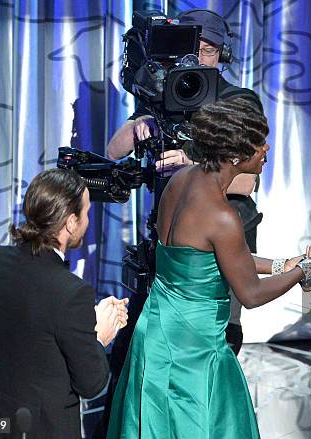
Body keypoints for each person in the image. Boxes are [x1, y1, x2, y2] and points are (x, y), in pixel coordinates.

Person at [106, 98, 311, 438]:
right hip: (193, 350)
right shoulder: (221, 215)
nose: (266, 147)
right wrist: (308, 267)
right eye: (259, 142)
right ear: (235, 157)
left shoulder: (181, 181)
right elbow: (250, 294)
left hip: (156, 332)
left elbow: (206, 258)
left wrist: (282, 265)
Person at [107, 9, 263, 356]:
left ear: (223, 54)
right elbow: (114, 149)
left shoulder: (238, 101)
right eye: (193, 47)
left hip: (219, 245)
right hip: (171, 241)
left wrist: (193, 164)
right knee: (139, 346)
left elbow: (247, 181)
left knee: (213, 346)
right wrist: (141, 125)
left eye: (208, 48)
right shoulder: (165, 95)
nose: (198, 57)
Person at [0, 169, 129, 439]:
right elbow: (91, 385)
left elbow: (31, 325)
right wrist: (97, 338)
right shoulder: (71, 293)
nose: (88, 221)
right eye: (86, 213)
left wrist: (78, 324)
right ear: (70, 222)